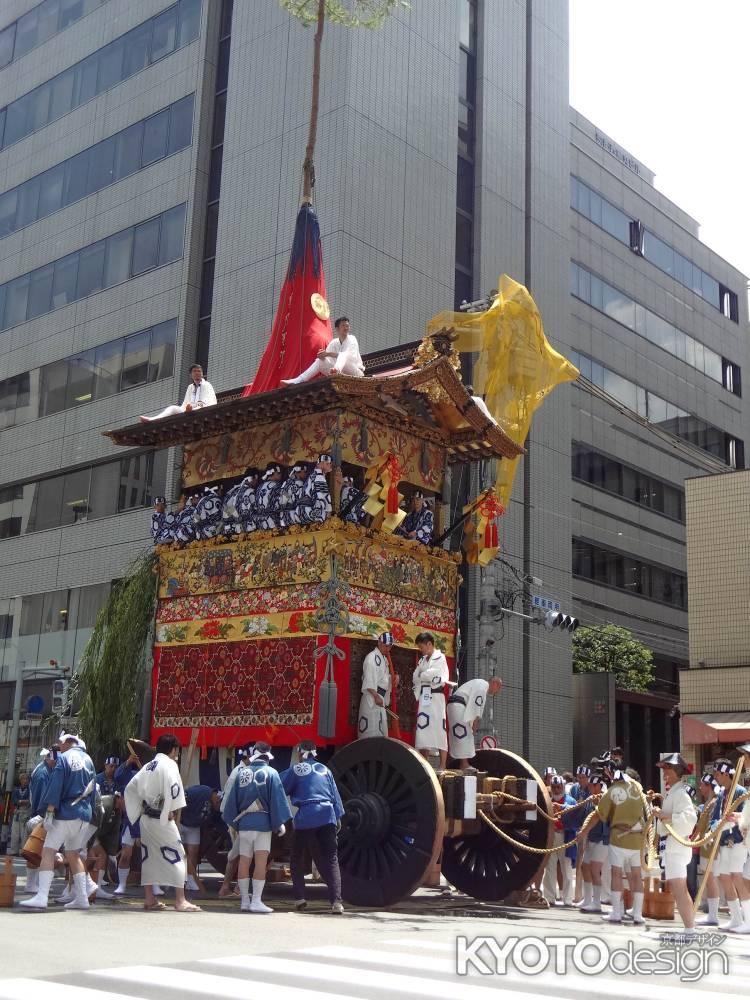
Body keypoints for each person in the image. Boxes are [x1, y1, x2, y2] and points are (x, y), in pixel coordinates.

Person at [20, 732, 97, 910]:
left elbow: (56, 786)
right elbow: (93, 791)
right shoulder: (89, 760)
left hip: (66, 812)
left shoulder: (64, 758)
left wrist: (49, 812)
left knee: (48, 851)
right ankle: (82, 898)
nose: (59, 747)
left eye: (61, 744)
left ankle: (42, 896)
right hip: (84, 814)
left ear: (69, 742)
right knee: (73, 854)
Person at [123, 733, 199, 912]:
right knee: (178, 854)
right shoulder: (169, 764)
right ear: (173, 750)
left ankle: (149, 898)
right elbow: (174, 788)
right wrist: (169, 809)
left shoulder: (149, 765)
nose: (177, 754)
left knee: (148, 857)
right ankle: (180, 900)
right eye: (176, 751)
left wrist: (138, 810)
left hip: (146, 819)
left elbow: (131, 788)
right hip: (161, 818)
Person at [222, 742, 292, 913]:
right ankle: (256, 901)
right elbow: (277, 800)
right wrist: (279, 823)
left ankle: (244, 901)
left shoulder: (242, 773)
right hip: (263, 825)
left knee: (244, 861)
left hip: (244, 825)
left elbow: (232, 801)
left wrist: (235, 822)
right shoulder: (272, 773)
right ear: (267, 756)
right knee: (260, 862)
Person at [281, 740, 345, 914]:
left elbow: (280, 786)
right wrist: (338, 818)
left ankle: (300, 898)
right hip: (327, 814)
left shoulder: (297, 769)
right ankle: (336, 902)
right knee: (332, 859)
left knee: (296, 856)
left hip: (306, 816)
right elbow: (335, 796)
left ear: (301, 754)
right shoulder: (326, 770)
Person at [590, 761, 648, 925]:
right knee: (637, 876)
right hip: (636, 839)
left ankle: (616, 912)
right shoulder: (638, 790)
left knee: (616, 874)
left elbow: (601, 813)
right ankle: (637, 914)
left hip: (618, 838)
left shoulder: (613, 790)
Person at [650, 753, 698, 934]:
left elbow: (689, 818)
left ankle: (689, 929)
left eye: (666, 769)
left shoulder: (681, 792)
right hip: (673, 846)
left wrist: (665, 816)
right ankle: (689, 926)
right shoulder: (675, 792)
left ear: (674, 771)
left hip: (677, 846)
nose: (664, 774)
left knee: (679, 888)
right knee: (680, 888)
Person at [708, 760, 749, 932]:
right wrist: (714, 828)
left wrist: (729, 824)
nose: (715, 777)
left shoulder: (740, 792)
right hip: (723, 841)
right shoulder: (722, 793)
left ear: (726, 774)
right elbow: (715, 817)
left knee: (736, 876)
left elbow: (744, 818)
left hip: (737, 841)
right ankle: (736, 918)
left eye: (717, 774)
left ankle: (748, 920)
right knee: (724, 876)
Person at [281, 317, 364, 384]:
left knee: (343, 354)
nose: (346, 328)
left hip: (356, 373)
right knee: (319, 361)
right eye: (343, 326)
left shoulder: (352, 339)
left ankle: (336, 371)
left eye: (347, 326)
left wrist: (328, 354)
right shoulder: (334, 342)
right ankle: (298, 380)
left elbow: (347, 355)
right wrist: (322, 356)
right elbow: (327, 358)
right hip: (341, 373)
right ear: (337, 329)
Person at [22, 748, 58, 895]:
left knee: (39, 851)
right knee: (35, 850)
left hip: (42, 813)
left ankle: (33, 883)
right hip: (40, 814)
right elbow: (41, 799)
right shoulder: (43, 773)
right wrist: (40, 816)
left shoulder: (46, 770)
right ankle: (31, 883)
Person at [412, 631, 449, 770]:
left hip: (437, 697)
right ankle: (425, 764)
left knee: (440, 728)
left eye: (422, 647)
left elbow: (433, 674)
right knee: (423, 729)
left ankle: (443, 764)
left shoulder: (440, 658)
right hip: (425, 697)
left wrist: (423, 674)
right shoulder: (422, 660)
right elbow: (415, 676)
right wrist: (423, 675)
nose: (421, 650)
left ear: (429, 644)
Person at [447, 676, 502, 768]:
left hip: (454, 705)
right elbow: (476, 706)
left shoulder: (479, 683)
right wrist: (475, 724)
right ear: (495, 683)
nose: (497, 692)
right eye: (499, 688)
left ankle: (457, 763)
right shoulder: (483, 685)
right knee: (465, 735)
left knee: (458, 735)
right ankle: (464, 764)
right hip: (458, 705)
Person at [542, 775, 579, 907]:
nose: (557, 790)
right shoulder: (547, 801)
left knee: (567, 869)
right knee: (550, 868)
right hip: (551, 836)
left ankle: (568, 899)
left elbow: (575, 820)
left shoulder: (571, 801)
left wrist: (561, 807)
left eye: (559, 787)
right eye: (554, 787)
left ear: (563, 787)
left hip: (566, 836)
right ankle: (549, 897)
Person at [180, 785, 223, 892]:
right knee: (181, 854)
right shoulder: (200, 791)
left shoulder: (215, 808)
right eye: (219, 803)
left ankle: (191, 880)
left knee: (193, 852)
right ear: (216, 798)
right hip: (180, 823)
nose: (218, 806)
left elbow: (219, 823)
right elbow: (181, 798)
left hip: (194, 827)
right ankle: (181, 879)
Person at [140, 363, 217, 421]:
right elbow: (185, 404)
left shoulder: (206, 384)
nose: (197, 373)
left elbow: (207, 402)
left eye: (199, 371)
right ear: (191, 375)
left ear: (202, 374)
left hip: (202, 410)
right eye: (195, 371)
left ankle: (190, 410)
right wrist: (187, 409)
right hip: (189, 410)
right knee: (172, 408)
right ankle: (153, 419)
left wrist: (193, 408)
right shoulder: (190, 387)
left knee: (197, 407)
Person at [578, 770, 608, 913]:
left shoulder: (605, 800)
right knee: (585, 866)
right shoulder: (590, 800)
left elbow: (598, 817)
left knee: (595, 869)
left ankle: (597, 902)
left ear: (598, 786)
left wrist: (584, 832)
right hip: (592, 838)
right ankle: (588, 898)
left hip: (603, 839)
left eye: (592, 785)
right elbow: (583, 815)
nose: (589, 787)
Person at [694, 771, 721, 925]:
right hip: (705, 846)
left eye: (702, 785)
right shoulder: (708, 804)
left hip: (711, 847)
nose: (700, 787)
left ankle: (713, 915)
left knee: (711, 880)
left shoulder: (715, 803)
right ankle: (712, 914)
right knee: (709, 879)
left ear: (709, 786)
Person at [358, 633, 395, 739]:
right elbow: (368, 679)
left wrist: (392, 678)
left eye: (390, 646)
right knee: (371, 731)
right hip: (372, 698)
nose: (387, 648)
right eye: (385, 645)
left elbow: (383, 679)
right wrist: (375, 695)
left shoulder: (384, 659)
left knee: (380, 731)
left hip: (379, 698)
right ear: (379, 642)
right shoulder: (371, 657)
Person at [301, 455, 332, 525]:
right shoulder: (319, 476)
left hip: (304, 513)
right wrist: (328, 514)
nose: (330, 465)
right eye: (327, 463)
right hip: (314, 514)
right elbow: (323, 496)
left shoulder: (312, 475)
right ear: (320, 464)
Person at [254, 464, 286, 531]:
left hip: (261, 523)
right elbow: (284, 502)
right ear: (274, 473)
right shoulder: (277, 486)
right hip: (273, 522)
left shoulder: (259, 487)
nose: (281, 475)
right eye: (279, 473)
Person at [9, 772, 31, 855]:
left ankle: (23, 851)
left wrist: (20, 801)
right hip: (17, 812)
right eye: (23, 779)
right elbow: (14, 801)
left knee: (24, 833)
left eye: (26, 779)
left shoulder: (30, 790)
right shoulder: (16, 790)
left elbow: (30, 802)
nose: (25, 780)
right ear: (20, 780)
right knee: (15, 832)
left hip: (26, 813)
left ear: (28, 781)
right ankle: (14, 851)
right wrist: (23, 801)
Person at [234, 467, 262, 534]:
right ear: (253, 478)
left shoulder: (236, 492)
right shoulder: (251, 491)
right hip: (251, 527)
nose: (257, 482)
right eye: (256, 480)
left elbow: (229, 509)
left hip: (239, 528)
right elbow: (257, 509)